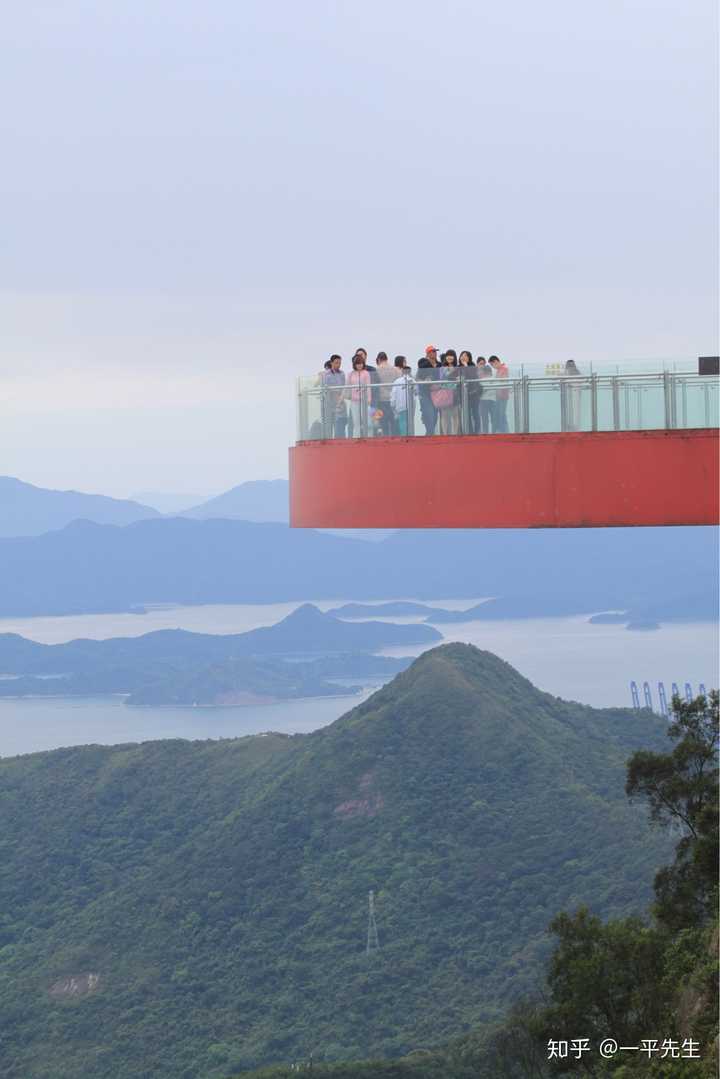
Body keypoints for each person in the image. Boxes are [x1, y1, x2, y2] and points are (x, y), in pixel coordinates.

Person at [416, 345, 441, 435]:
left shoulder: (439, 365)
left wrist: (438, 385)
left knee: (435, 415)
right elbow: (417, 378)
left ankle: (430, 433)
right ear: (427, 354)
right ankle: (429, 433)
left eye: (435, 351)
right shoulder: (423, 365)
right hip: (425, 393)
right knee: (428, 413)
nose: (434, 353)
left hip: (437, 393)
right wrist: (426, 382)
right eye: (432, 351)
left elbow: (442, 377)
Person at [375, 351, 400, 435]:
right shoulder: (395, 370)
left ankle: (385, 438)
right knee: (393, 421)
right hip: (393, 398)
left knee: (383, 422)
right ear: (387, 359)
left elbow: (375, 385)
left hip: (381, 399)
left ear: (378, 359)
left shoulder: (377, 370)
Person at [321, 354, 347, 438]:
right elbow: (325, 388)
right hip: (330, 403)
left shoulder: (342, 374)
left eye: (339, 363)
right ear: (331, 363)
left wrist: (341, 397)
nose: (338, 365)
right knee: (329, 425)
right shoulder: (326, 374)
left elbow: (344, 387)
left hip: (340, 402)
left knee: (340, 426)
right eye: (336, 363)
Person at [347, 353, 372, 437]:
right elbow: (347, 387)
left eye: (361, 363)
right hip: (354, 401)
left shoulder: (366, 373)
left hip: (364, 401)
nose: (359, 365)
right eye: (357, 363)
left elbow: (368, 387)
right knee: (356, 422)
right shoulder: (351, 374)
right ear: (354, 364)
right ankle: (356, 439)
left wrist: (369, 399)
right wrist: (344, 396)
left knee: (367, 421)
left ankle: (368, 438)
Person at [459, 350, 480, 434]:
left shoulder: (472, 366)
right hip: (464, 395)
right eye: (462, 355)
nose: (463, 357)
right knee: (467, 414)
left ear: (469, 358)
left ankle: (477, 431)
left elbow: (473, 377)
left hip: (474, 393)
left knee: (475, 413)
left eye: (465, 355)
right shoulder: (458, 367)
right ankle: (470, 432)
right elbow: (450, 376)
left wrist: (466, 366)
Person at [390, 362, 414, 435]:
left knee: (402, 421)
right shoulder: (413, 381)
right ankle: (410, 435)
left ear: (402, 372)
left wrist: (392, 404)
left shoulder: (397, 381)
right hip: (411, 405)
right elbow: (416, 393)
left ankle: (404, 436)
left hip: (400, 405)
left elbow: (393, 394)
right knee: (410, 421)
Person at [489, 355, 509, 431]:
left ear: (496, 362)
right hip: (499, 396)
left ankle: (505, 431)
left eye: (492, 365)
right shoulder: (499, 370)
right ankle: (503, 431)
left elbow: (504, 381)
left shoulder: (504, 369)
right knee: (500, 415)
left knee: (502, 415)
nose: (493, 367)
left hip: (503, 396)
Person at [564, 359, 583, 431]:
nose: (571, 365)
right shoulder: (567, 372)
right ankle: (571, 426)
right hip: (569, 393)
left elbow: (580, 381)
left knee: (575, 410)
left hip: (575, 392)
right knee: (570, 410)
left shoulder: (576, 371)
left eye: (572, 364)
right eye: (569, 364)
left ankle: (575, 426)